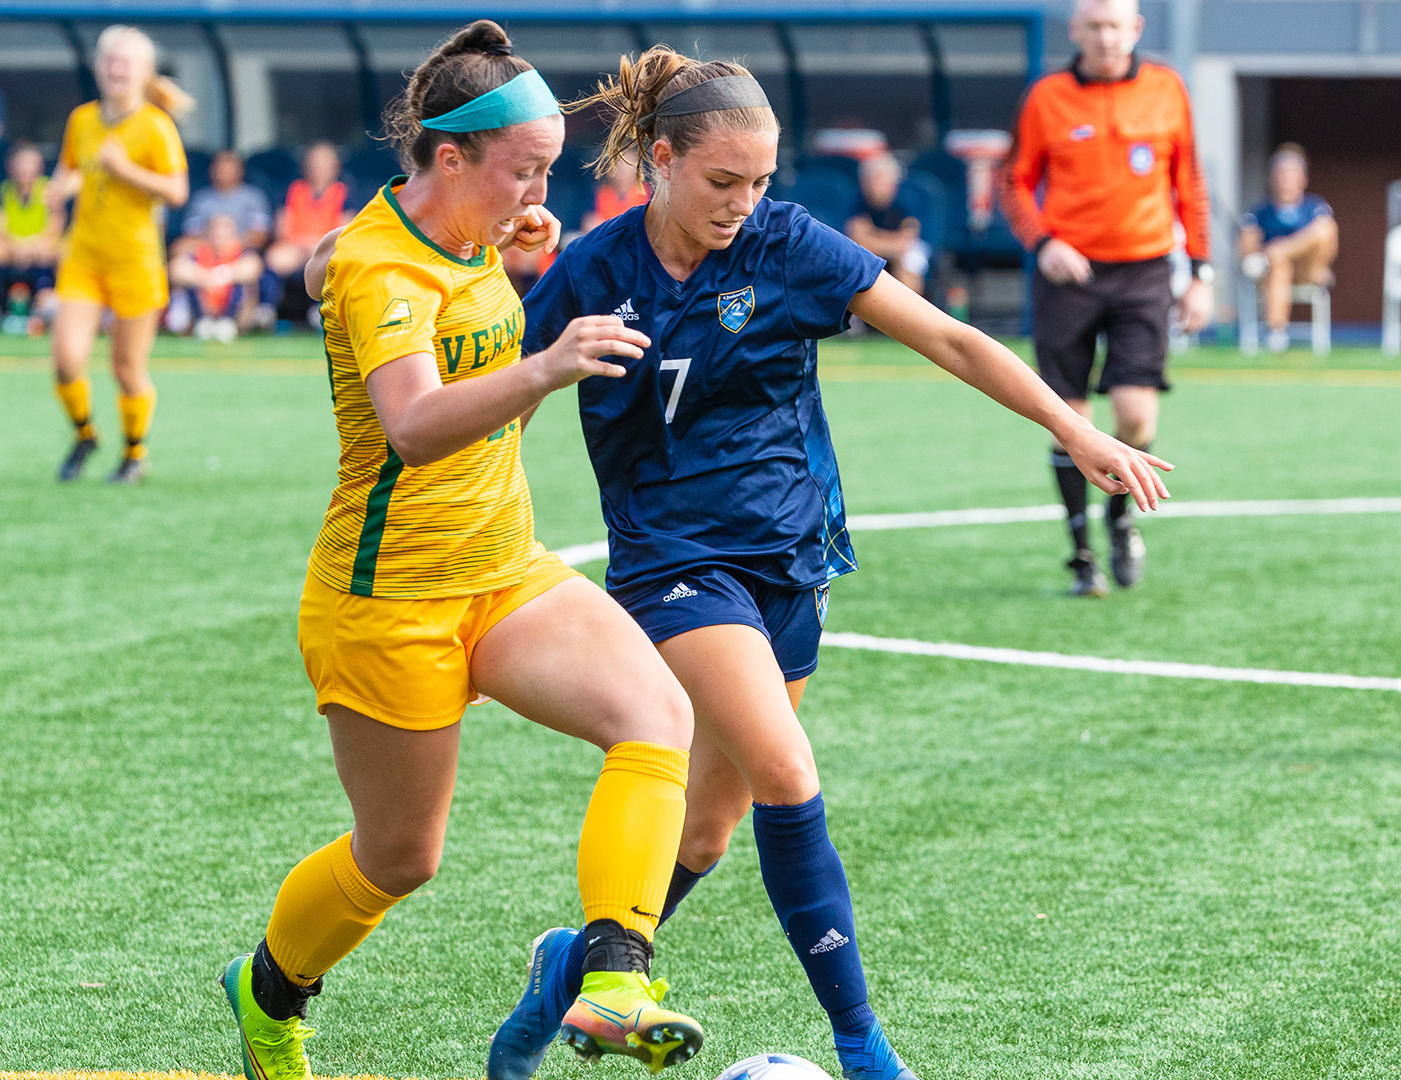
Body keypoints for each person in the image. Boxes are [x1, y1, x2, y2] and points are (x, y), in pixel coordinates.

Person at [483, 46, 1170, 1080]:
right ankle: (864, 1048)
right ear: (659, 162)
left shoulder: (790, 246)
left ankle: (571, 972)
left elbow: (949, 340)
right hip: (672, 564)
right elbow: (499, 394)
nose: (743, 204)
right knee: (788, 774)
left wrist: (1078, 431)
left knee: (707, 834)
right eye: (723, 183)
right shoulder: (593, 270)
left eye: (760, 183)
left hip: (793, 563)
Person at [228, 23, 707, 1080]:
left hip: (505, 572)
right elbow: (415, 421)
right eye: (524, 167)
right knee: (401, 857)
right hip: (389, 599)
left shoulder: (448, 234)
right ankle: (267, 996)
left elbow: (343, 263)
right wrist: (549, 364)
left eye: (545, 167)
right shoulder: (381, 270)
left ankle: (615, 978)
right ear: (450, 156)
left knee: (658, 714)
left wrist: (506, 251)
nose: (540, 187)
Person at [1000, 0, 1213, 597]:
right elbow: (1012, 180)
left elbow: (1188, 182)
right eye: (1093, 25)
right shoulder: (1046, 98)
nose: (1106, 36)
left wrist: (1200, 271)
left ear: (1136, 29)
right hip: (1069, 274)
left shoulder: (1168, 90)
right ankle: (1081, 555)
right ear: (1076, 31)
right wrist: (1043, 243)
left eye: (1116, 24)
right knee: (1069, 418)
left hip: (1145, 272)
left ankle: (1119, 519)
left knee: (1137, 414)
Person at [44, 26, 191, 485]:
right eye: (109, 60)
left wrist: (123, 170)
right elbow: (70, 168)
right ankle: (85, 434)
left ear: (144, 73)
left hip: (136, 261)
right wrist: (60, 187)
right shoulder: (82, 120)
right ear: (98, 67)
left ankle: (134, 456)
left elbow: (176, 191)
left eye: (126, 62)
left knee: (125, 369)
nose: (116, 68)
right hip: (85, 257)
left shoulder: (155, 125)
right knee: (67, 360)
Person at [1239, 143, 1337, 353]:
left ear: (1303, 179)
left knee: (1324, 230)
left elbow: (1328, 241)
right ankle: (1276, 331)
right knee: (1278, 262)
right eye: (1281, 173)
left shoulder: (1315, 207)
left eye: (1292, 173)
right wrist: (1273, 255)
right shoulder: (1259, 213)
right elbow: (1248, 249)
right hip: (1272, 273)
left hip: (1310, 270)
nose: (1286, 178)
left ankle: (1281, 254)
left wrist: (1283, 248)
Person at [170, 149, 271, 331]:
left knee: (253, 265)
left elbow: (260, 237)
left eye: (229, 168)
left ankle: (233, 320)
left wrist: (228, 242)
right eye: (219, 167)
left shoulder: (252, 197)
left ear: (239, 171)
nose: (223, 172)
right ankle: (191, 318)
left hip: (238, 251)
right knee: (178, 255)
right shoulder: (202, 198)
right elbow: (191, 235)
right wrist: (214, 240)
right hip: (206, 252)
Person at [0, 141, 63, 328]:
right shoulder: (2, 190)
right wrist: (17, 245)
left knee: (52, 249)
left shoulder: (48, 189)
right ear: (11, 166)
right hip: (11, 246)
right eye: (21, 163)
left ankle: (45, 304)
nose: (25, 168)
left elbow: (56, 225)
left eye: (30, 163)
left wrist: (33, 244)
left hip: (38, 245)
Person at [167, 212, 262, 340]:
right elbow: (176, 269)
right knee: (183, 285)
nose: (220, 235)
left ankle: (231, 323)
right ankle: (199, 323)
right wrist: (206, 278)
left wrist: (221, 276)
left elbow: (252, 268)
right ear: (208, 233)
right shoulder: (196, 252)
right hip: (202, 312)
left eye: (225, 230)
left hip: (232, 314)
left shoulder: (242, 253)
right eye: (216, 230)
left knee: (246, 284)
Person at [845, 153, 929, 295]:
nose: (875, 187)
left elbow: (907, 240)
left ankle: (905, 312)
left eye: (881, 181)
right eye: (871, 181)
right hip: (875, 251)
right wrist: (888, 244)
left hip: (910, 250)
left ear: (894, 183)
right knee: (854, 260)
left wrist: (874, 236)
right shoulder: (857, 199)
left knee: (910, 261)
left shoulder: (908, 199)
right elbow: (857, 238)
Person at [265, 140, 346, 284]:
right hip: (294, 246)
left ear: (335, 167)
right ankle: (268, 305)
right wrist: (302, 243)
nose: (318, 168)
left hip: (325, 247)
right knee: (275, 258)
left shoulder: (344, 192)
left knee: (327, 258)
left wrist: (316, 244)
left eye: (324, 163)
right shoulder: (292, 189)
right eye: (314, 163)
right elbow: (281, 229)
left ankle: (319, 304)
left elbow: (344, 233)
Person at [580, 154, 649, 233]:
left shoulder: (647, 193)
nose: (623, 172)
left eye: (627, 167)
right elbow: (589, 221)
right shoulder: (601, 193)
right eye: (619, 166)